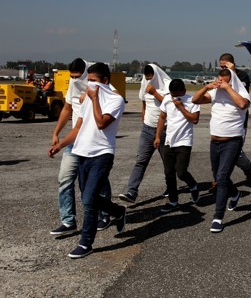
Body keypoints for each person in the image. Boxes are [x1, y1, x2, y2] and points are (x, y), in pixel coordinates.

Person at [48, 62, 126, 259]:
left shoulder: (115, 100)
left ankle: (85, 243)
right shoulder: (86, 100)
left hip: (102, 155)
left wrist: (94, 99)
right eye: (88, 81)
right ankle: (118, 211)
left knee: (89, 200)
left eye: (93, 81)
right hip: (82, 153)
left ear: (106, 81)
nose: (89, 85)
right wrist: (60, 145)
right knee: (87, 196)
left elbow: (101, 123)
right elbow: (77, 129)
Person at [192, 68, 250, 233]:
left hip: (232, 142)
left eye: (224, 80)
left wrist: (227, 88)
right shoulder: (214, 93)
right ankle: (235, 193)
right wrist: (207, 87)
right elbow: (195, 100)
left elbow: (242, 104)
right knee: (217, 176)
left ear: (231, 81)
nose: (221, 82)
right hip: (214, 142)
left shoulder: (241, 93)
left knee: (222, 178)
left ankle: (218, 217)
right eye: (219, 79)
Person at [118, 64, 170, 204]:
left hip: (164, 130)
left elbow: (170, 104)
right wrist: (143, 118)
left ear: (156, 75)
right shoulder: (144, 82)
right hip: (147, 129)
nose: (149, 80)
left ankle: (171, 188)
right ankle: (132, 191)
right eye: (147, 78)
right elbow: (144, 103)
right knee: (140, 161)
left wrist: (155, 93)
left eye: (151, 77)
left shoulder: (167, 84)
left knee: (168, 163)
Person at [209, 54, 251, 192]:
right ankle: (219, 180)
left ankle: (247, 166)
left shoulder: (243, 76)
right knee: (218, 155)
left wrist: (233, 72)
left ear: (232, 64)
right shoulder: (221, 76)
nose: (223, 69)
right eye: (221, 66)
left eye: (225, 66)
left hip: (238, 120)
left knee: (236, 153)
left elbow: (242, 95)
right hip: (222, 118)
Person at [153, 79, 200, 212]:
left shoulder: (192, 101)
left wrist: (180, 106)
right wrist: (157, 136)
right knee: (169, 173)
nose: (174, 98)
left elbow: (194, 119)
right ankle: (173, 202)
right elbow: (162, 118)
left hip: (184, 141)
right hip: (169, 141)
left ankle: (193, 185)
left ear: (184, 91)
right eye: (173, 95)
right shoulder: (167, 100)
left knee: (181, 171)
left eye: (177, 95)